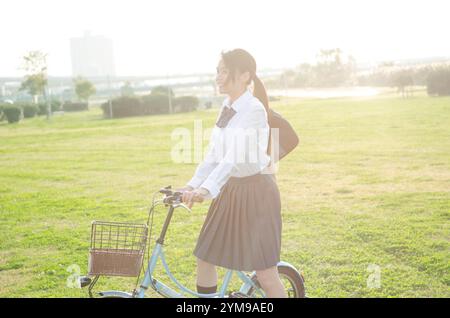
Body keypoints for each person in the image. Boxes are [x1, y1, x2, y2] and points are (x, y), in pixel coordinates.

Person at [178, 48, 287, 298]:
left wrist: (205, 190)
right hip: (231, 189)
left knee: (266, 273)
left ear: (244, 75)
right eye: (218, 71)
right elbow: (214, 154)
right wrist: (191, 185)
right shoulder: (227, 106)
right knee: (205, 258)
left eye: (224, 71)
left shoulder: (254, 110)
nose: (218, 76)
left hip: (257, 192)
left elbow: (233, 157)